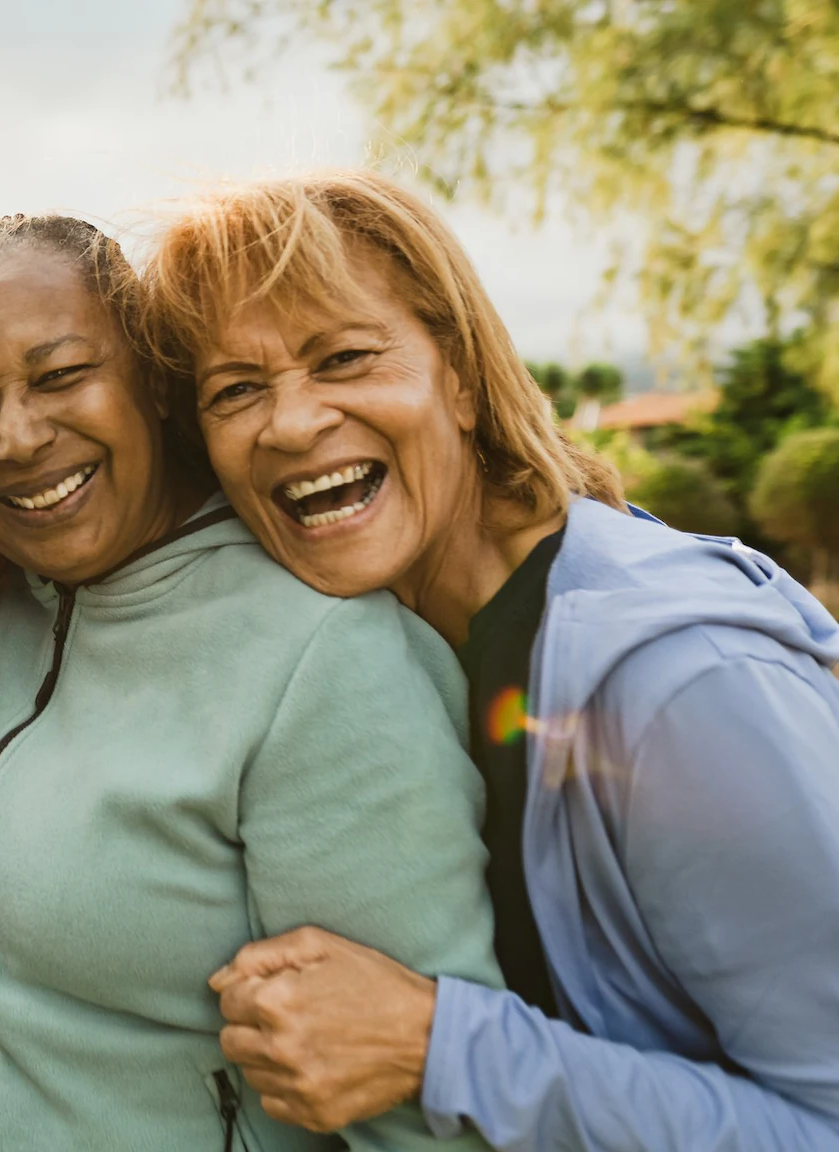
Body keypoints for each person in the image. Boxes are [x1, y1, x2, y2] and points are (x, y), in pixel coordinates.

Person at [147, 169, 839, 1150]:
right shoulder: (396, 635)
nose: (291, 423)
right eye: (234, 390)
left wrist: (440, 1045)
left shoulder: (679, 689)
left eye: (342, 357)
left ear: (460, 380)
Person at [0, 213, 501, 1151]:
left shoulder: (324, 658)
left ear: (154, 384)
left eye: (60, 376)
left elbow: (434, 1120)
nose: (16, 435)